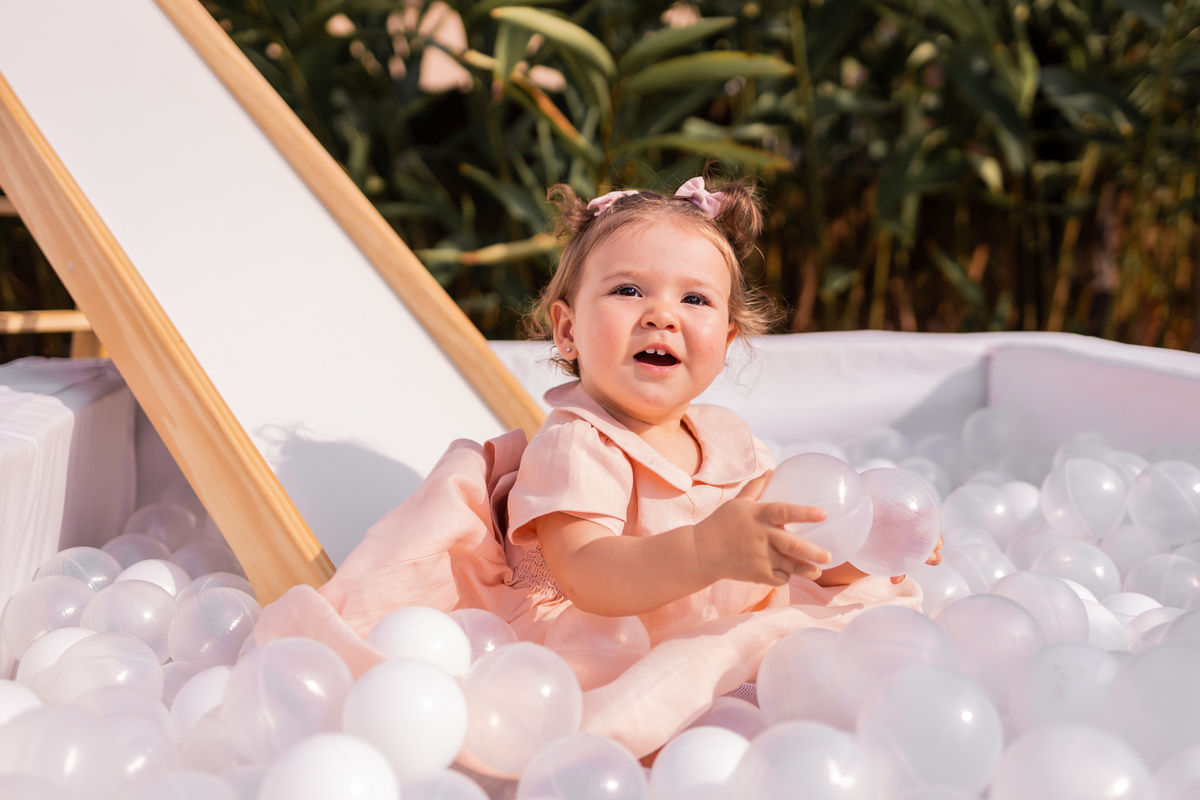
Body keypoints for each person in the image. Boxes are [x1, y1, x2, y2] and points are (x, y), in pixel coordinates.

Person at [254, 174, 939, 762]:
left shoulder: (733, 441)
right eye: (628, 291)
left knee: (851, 629)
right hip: (602, 636)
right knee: (613, 717)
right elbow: (588, 574)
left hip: (704, 620)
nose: (662, 317)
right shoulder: (580, 443)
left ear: (726, 340)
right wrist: (708, 548)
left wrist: (861, 547)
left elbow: (784, 555)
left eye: (694, 300)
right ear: (568, 331)